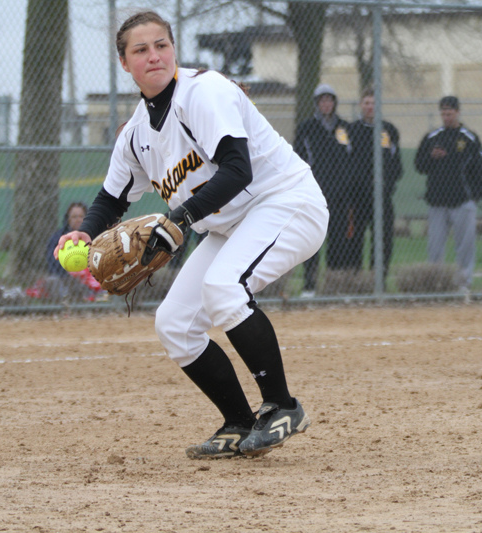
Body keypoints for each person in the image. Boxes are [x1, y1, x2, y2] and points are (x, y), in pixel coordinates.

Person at [54, 11, 328, 458]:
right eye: (141, 49)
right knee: (175, 325)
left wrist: (178, 220)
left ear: (173, 49)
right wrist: (84, 234)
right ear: (125, 63)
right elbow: (111, 199)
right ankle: (239, 422)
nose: (154, 55)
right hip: (228, 223)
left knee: (225, 287)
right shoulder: (135, 134)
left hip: (284, 202)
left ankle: (283, 406)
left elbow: (238, 169)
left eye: (161, 45)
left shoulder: (204, 92)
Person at [415, 96, 482, 291]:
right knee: (435, 247)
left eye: (450, 113)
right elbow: (419, 165)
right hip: (437, 202)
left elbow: (480, 169)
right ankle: (437, 283)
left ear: (457, 112)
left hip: (463, 202)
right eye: (443, 113)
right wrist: (431, 157)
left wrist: (476, 196)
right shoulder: (432, 138)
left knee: (465, 247)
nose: (446, 117)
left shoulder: (469, 138)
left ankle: (464, 284)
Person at [294, 84, 352, 296]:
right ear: (317, 104)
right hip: (314, 192)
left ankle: (333, 284)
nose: (326, 104)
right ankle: (309, 284)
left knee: (337, 239)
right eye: (322, 101)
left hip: (339, 194)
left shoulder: (344, 128)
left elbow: (351, 159)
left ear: (334, 103)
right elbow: (300, 157)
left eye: (330, 100)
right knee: (311, 239)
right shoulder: (307, 127)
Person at [347, 88, 403, 276]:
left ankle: (378, 278)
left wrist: (387, 185)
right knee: (354, 239)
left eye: (373, 103)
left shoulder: (389, 130)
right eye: (367, 103)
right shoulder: (352, 130)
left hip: (381, 195)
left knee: (383, 239)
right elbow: (346, 162)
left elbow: (396, 163)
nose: (370, 107)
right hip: (357, 197)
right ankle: (356, 279)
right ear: (361, 105)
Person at [26, 201, 105, 302]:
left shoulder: (94, 235)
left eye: (81, 216)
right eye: (74, 217)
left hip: (91, 276)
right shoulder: (59, 237)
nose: (78, 220)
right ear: (68, 219)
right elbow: (53, 262)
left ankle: (99, 301)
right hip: (66, 278)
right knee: (53, 281)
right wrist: (71, 273)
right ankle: (65, 305)